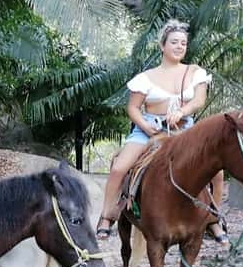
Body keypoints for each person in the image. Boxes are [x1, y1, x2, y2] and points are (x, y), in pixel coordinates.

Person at [96, 19, 227, 244]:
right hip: (149, 128)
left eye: (183, 43)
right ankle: (107, 216)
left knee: (217, 172)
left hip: (185, 129)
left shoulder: (195, 72)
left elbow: (199, 100)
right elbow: (133, 108)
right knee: (119, 168)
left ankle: (212, 218)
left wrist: (182, 111)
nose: (179, 47)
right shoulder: (146, 78)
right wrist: (146, 126)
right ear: (162, 46)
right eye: (174, 42)